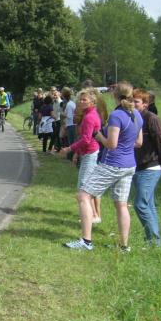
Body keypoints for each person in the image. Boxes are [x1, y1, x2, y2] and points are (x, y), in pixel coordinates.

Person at [65, 82, 143, 252]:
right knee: (121, 204)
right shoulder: (137, 114)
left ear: (114, 94)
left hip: (113, 163)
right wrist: (124, 144)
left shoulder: (117, 115)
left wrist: (98, 135)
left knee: (83, 196)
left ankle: (86, 241)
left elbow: (111, 145)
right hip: (130, 165)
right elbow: (139, 142)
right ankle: (124, 246)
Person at [59, 89, 102, 224]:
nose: (82, 102)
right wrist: (77, 153)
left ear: (92, 101)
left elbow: (86, 140)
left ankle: (92, 216)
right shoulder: (89, 114)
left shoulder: (89, 117)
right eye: (80, 99)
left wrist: (69, 149)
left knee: (83, 188)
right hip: (87, 153)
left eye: (85, 100)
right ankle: (94, 215)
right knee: (87, 186)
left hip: (90, 153)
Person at [132, 89, 161, 246]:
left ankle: (153, 241)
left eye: (136, 102)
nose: (133, 104)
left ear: (145, 104)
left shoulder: (151, 119)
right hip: (137, 167)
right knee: (149, 204)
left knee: (140, 204)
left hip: (151, 167)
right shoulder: (132, 117)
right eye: (131, 101)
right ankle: (155, 242)